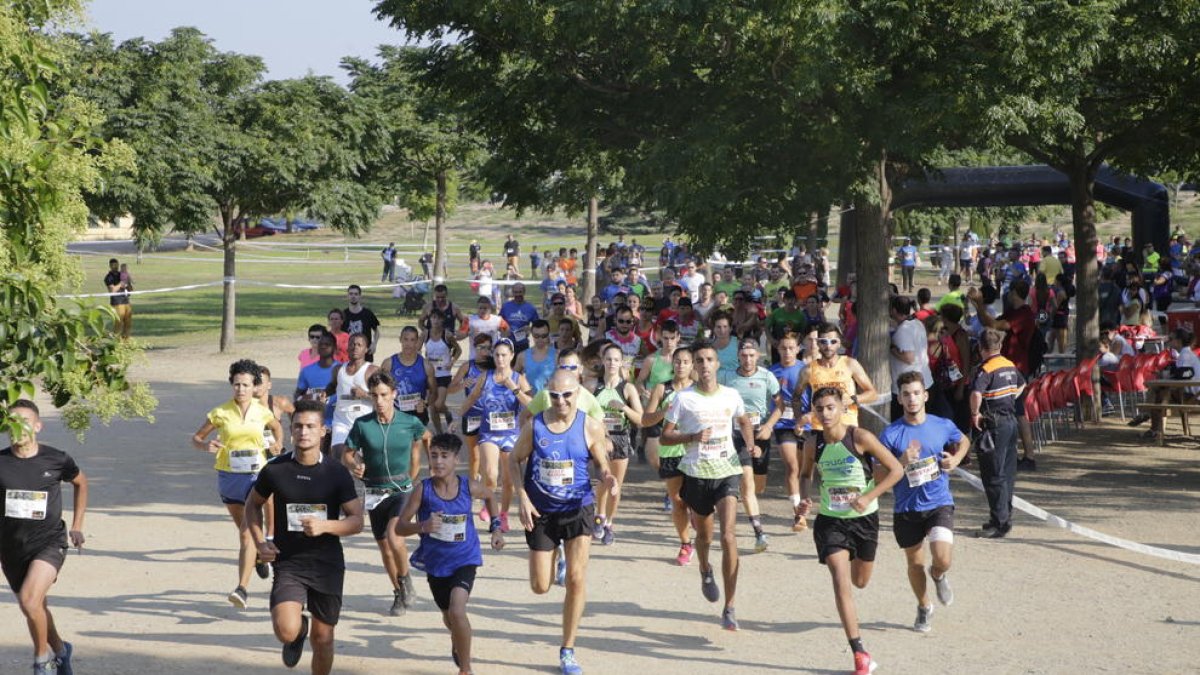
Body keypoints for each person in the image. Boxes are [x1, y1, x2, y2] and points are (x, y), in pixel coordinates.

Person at [510, 369, 617, 675]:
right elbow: (513, 460)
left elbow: (601, 466)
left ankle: (568, 649)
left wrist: (608, 478)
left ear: (578, 393)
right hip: (541, 511)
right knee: (540, 586)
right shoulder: (535, 426)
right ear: (547, 394)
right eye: (554, 395)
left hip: (577, 508)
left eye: (567, 395)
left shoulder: (590, 426)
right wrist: (522, 497)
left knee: (576, 579)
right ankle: (552, 553)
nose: (561, 401)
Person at [245, 399, 364, 675]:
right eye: (298, 426)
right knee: (286, 630)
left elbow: (357, 521)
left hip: (327, 564)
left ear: (323, 431)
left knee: (324, 639)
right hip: (289, 562)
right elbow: (253, 505)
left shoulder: (336, 473)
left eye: (311, 426)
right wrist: (261, 541)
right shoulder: (276, 469)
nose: (304, 432)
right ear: (291, 429)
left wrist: (326, 527)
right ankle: (299, 633)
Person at [796, 387, 903, 675]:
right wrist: (803, 499)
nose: (825, 413)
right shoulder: (812, 443)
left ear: (843, 407)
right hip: (830, 521)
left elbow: (896, 471)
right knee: (840, 579)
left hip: (865, 520)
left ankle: (859, 648)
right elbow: (805, 475)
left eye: (830, 407)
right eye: (819, 409)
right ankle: (859, 653)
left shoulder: (860, 437)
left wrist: (869, 497)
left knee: (860, 581)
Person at [391, 434, 504, 675]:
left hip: (465, 559)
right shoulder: (423, 490)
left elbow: (490, 496)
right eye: (434, 456)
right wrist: (422, 527)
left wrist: (495, 527)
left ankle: (465, 668)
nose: (438, 462)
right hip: (436, 563)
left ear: (456, 459)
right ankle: (457, 639)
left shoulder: (468, 486)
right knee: (449, 616)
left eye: (445, 456)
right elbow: (400, 526)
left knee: (457, 609)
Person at [661, 342, 755, 631]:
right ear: (694, 366)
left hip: (727, 470)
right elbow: (665, 437)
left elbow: (742, 419)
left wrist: (750, 445)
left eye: (708, 359)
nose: (703, 365)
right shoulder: (682, 398)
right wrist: (691, 436)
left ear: (717, 364)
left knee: (728, 536)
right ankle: (704, 568)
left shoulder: (731, 394)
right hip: (697, 473)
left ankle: (730, 606)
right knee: (704, 537)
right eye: (698, 360)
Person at [1, 400, 88, 675]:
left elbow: (81, 483)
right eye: (12, 421)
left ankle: (43, 661)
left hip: (49, 543)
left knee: (29, 600)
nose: (19, 427)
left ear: (38, 426)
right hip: (11, 548)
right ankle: (62, 651)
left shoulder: (56, 459)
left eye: (25, 420)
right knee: (35, 607)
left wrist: (77, 525)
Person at [879, 372, 970, 632]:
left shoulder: (941, 424)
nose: (912, 398)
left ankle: (939, 574)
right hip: (906, 508)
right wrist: (902, 462)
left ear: (925, 395)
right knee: (915, 563)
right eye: (906, 394)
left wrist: (955, 459)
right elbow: (878, 476)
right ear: (900, 398)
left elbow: (963, 440)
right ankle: (924, 606)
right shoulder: (891, 434)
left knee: (942, 559)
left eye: (916, 393)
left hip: (939, 503)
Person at [192, 359, 283, 608]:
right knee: (244, 531)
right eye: (236, 385)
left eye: (245, 385)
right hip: (228, 477)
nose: (240, 389)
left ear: (254, 386)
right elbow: (196, 437)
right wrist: (204, 445)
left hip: (256, 475)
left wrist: (276, 445)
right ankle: (258, 560)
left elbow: (276, 427)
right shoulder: (220, 412)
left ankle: (241, 589)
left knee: (246, 534)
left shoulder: (262, 410)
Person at [344, 370, 431, 616]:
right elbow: (347, 454)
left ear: (394, 394)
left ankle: (406, 582)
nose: (379, 401)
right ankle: (398, 592)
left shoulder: (409, 422)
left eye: (384, 395)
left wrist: (422, 462)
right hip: (373, 491)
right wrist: (355, 465)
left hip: (401, 490)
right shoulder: (363, 425)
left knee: (395, 538)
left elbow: (426, 437)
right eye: (374, 396)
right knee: (384, 547)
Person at [461, 339, 531, 533]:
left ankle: (503, 515)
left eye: (504, 355)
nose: (500, 359)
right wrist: (456, 417)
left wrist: (513, 387)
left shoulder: (518, 378)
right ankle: (489, 506)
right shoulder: (486, 376)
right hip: (489, 433)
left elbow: (531, 404)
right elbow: (472, 398)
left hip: (511, 433)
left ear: (511, 356)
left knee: (509, 480)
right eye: (497, 355)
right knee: (491, 474)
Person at [719, 338, 780, 552]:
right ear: (738, 356)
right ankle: (759, 532)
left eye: (752, 355)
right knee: (747, 484)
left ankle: (748, 502)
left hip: (759, 431)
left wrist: (769, 426)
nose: (747, 359)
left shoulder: (767, 376)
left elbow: (781, 405)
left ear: (758, 356)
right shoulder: (726, 377)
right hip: (734, 434)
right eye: (744, 355)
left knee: (758, 484)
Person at [969, 328, 1025, 539]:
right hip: (1010, 421)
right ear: (999, 346)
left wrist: (975, 413)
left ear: (981, 349)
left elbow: (976, 393)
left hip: (994, 424)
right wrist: (1009, 397)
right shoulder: (1009, 365)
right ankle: (1002, 517)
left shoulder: (986, 369)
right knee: (1008, 473)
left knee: (993, 473)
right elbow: (1022, 384)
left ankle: (1000, 524)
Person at [642, 346, 697, 562]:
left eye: (685, 361)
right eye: (677, 361)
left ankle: (696, 519)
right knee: (677, 499)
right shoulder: (661, 389)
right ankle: (685, 544)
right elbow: (646, 420)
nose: (681, 365)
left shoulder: (698, 389)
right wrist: (666, 411)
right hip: (670, 449)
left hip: (695, 450)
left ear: (692, 364)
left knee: (696, 497)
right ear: (671, 364)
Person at [591, 343, 644, 545]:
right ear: (602, 361)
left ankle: (609, 523)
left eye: (616, 359)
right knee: (603, 480)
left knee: (615, 486)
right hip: (599, 440)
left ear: (621, 363)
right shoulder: (593, 386)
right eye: (609, 359)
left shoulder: (627, 388)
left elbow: (640, 418)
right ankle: (599, 515)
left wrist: (623, 407)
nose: (612, 363)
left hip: (621, 438)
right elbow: (584, 413)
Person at [768, 333, 808, 531]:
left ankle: (802, 501)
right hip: (783, 425)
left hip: (806, 425)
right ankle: (798, 514)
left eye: (791, 348)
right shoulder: (771, 372)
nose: (787, 352)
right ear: (778, 349)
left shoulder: (806, 370)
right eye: (783, 348)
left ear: (798, 349)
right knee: (792, 467)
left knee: (803, 470)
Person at [325, 334, 378, 459]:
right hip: (341, 421)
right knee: (337, 454)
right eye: (352, 344)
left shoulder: (372, 370)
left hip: (364, 422)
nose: (355, 347)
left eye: (359, 345)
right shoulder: (338, 369)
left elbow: (383, 396)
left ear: (366, 349)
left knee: (364, 462)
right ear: (347, 347)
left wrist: (364, 394)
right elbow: (332, 386)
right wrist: (325, 394)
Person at [888, 296, 937, 421]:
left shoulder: (903, 330)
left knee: (906, 423)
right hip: (925, 382)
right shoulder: (917, 323)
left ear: (893, 310)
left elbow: (909, 357)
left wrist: (891, 348)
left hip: (909, 388)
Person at [387, 326, 436, 426]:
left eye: (412, 340)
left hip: (418, 415)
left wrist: (425, 404)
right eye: (405, 339)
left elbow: (434, 393)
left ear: (417, 342)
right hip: (395, 414)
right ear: (400, 339)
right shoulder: (389, 363)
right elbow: (380, 390)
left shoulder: (426, 366)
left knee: (417, 442)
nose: (408, 344)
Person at [424, 310, 461, 434]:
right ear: (429, 320)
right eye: (432, 318)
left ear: (442, 320)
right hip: (430, 375)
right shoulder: (425, 334)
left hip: (443, 374)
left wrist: (452, 361)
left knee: (439, 404)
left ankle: (447, 412)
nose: (435, 320)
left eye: (437, 318)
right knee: (432, 408)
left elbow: (458, 350)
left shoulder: (447, 335)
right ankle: (439, 433)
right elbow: (417, 349)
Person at [516, 319, 558, 395]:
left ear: (548, 334)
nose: (540, 339)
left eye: (544, 336)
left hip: (552, 402)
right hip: (530, 402)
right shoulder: (522, 356)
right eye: (536, 336)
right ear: (532, 334)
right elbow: (513, 377)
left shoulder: (557, 355)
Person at [344, 285, 382, 362]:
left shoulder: (368, 313)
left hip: (365, 353)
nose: (353, 296)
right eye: (351, 294)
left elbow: (377, 331)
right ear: (348, 296)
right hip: (348, 354)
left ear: (360, 296)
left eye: (356, 294)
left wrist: (374, 344)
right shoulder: (343, 315)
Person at [500, 282, 540, 353]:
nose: (518, 294)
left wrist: (529, 329)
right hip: (507, 342)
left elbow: (538, 326)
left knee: (522, 363)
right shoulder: (506, 306)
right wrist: (505, 329)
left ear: (524, 292)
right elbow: (499, 322)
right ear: (512, 292)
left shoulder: (530, 308)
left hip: (523, 344)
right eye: (516, 292)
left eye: (520, 292)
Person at [104, 257, 132, 339]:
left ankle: (126, 342)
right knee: (118, 324)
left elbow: (130, 289)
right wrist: (121, 284)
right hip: (117, 303)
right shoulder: (109, 277)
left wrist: (128, 283)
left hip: (126, 301)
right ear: (110, 266)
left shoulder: (122, 275)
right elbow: (112, 290)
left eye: (116, 265)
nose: (115, 267)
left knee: (128, 323)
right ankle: (115, 342)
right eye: (113, 265)